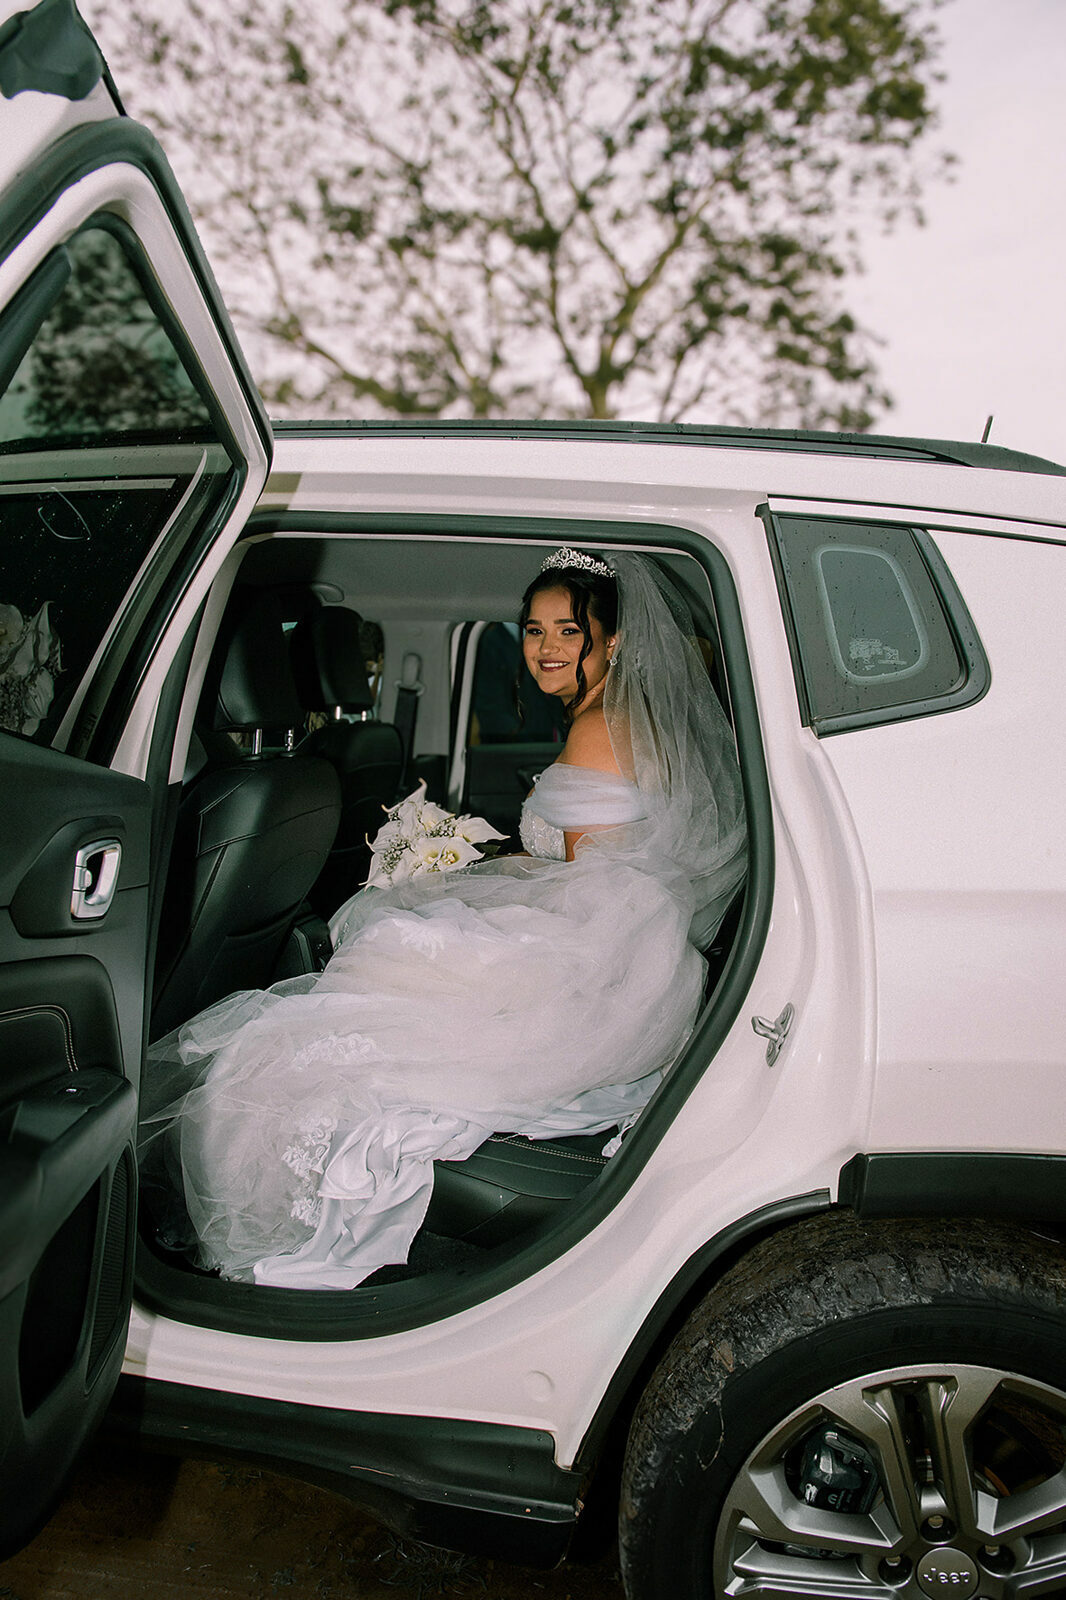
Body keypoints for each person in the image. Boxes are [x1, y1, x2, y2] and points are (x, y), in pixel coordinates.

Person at [141, 549, 748, 1290]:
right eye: (533, 631)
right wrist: (481, 872)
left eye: (569, 630)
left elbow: (594, 882)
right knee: (389, 954)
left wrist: (465, 884)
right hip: (627, 950)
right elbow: (600, 859)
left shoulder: (600, 730)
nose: (546, 648)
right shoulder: (620, 720)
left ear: (614, 640)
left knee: (358, 978)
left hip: (598, 957)